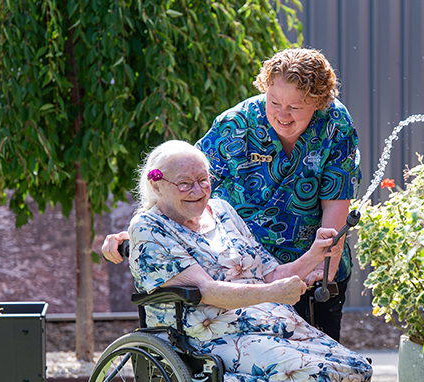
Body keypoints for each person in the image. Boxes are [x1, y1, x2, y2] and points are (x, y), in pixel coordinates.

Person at [128, 139, 372, 382]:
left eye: (203, 180)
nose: (198, 190)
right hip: (214, 335)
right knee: (313, 374)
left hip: (272, 322)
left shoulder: (222, 212)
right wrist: (273, 293)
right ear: (157, 185)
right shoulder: (149, 228)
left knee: (354, 370)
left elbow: (269, 272)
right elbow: (208, 291)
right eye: (185, 184)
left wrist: (315, 254)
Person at [104, 47, 360, 342]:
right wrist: (136, 233)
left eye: (296, 107)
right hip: (244, 271)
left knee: (323, 357)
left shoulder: (335, 124)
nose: (282, 115)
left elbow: (336, 202)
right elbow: (179, 183)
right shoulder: (236, 125)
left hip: (312, 267)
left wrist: (325, 262)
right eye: (273, 102)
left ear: (318, 102)